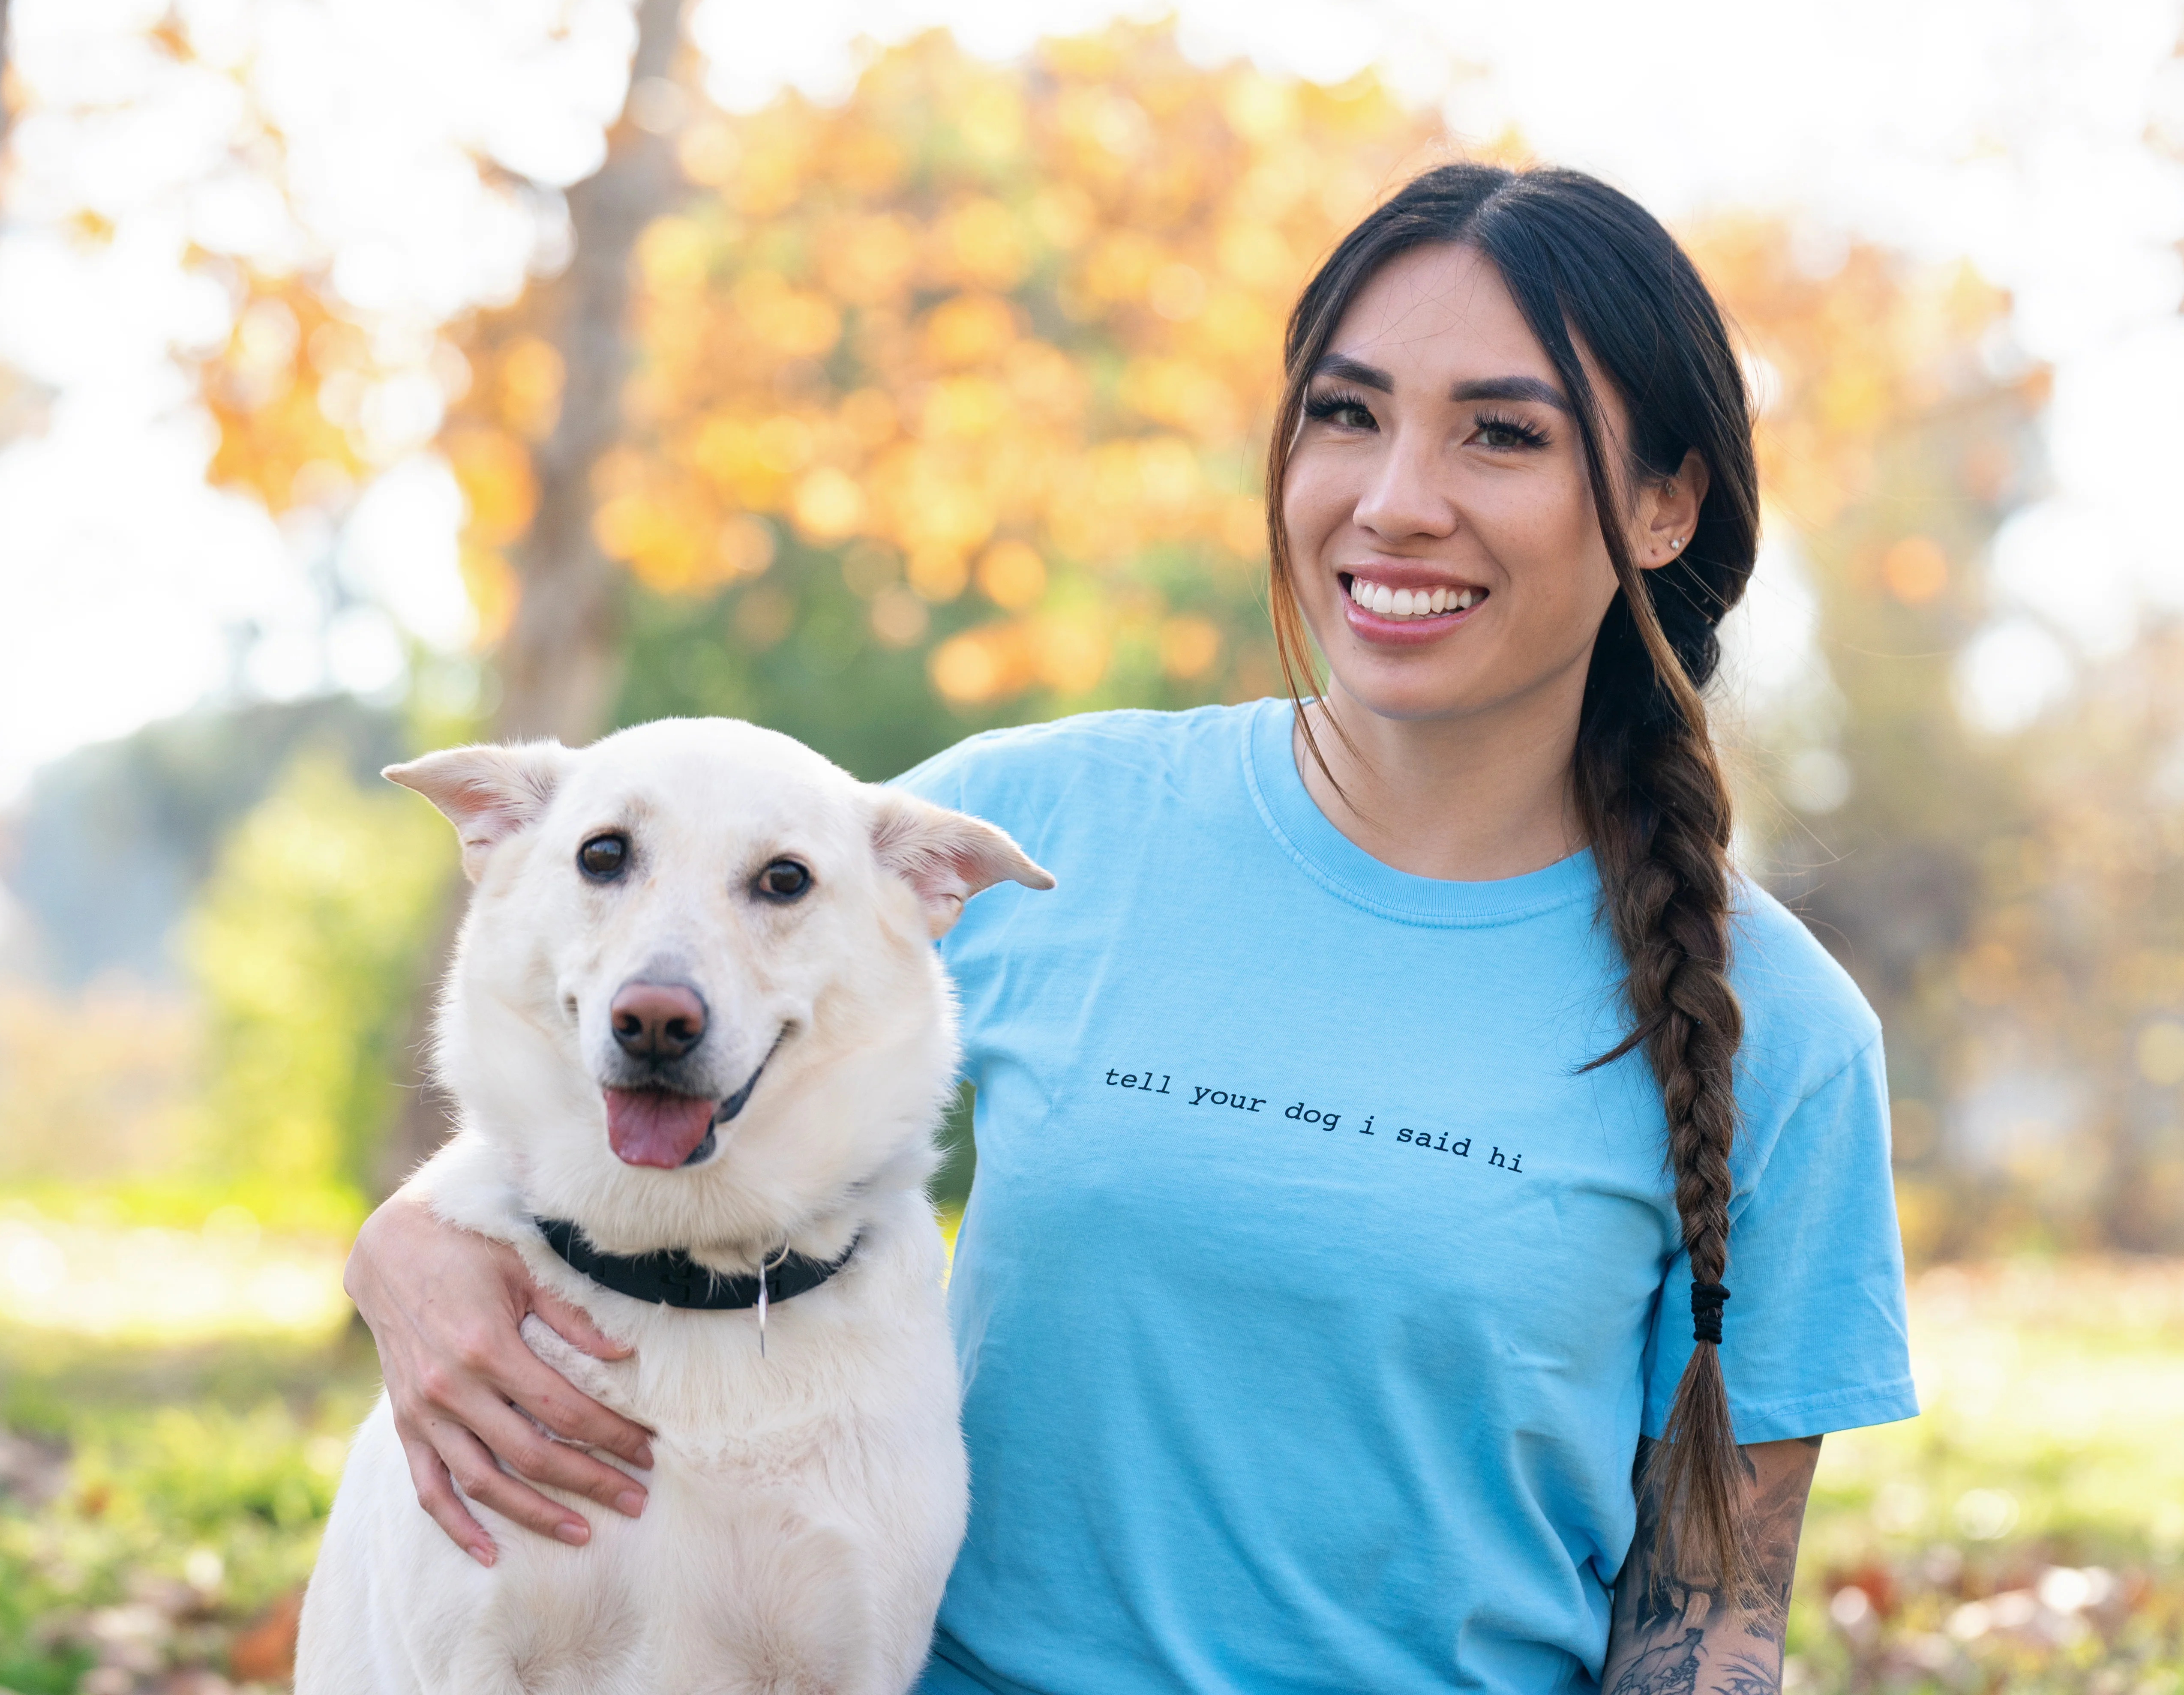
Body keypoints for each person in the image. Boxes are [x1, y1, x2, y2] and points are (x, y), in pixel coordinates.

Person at [339, 162, 1917, 1694]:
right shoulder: (1044, 828)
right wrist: (410, 1245)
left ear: (1663, 505)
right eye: (1346, 416)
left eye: (1503, 436)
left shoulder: (1777, 1031)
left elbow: (1707, 1625)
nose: (1395, 501)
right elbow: (665, 959)